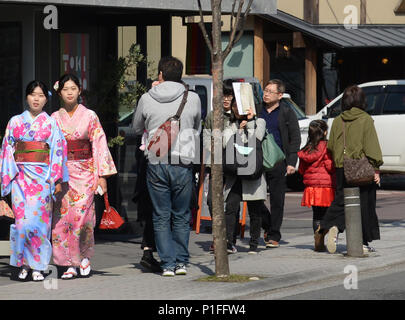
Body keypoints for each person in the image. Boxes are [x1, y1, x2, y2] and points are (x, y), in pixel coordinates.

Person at [132, 56, 201, 276]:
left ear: (160, 75)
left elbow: (136, 127)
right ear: (180, 76)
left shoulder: (146, 97)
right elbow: (197, 127)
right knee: (181, 214)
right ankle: (181, 262)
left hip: (156, 161)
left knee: (160, 215)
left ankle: (168, 264)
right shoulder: (193, 98)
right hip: (183, 161)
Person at [51, 73, 117, 279]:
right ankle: (67, 264)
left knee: (83, 217)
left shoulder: (90, 116)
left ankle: (84, 257)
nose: (69, 92)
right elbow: (51, 148)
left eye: (73, 88)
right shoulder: (53, 118)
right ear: (60, 93)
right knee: (62, 219)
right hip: (63, 173)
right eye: (65, 89)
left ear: (79, 90)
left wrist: (102, 176)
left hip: (86, 172)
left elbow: (99, 144)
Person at [0, 80, 68, 281]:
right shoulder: (15, 122)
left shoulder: (51, 123)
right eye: (32, 94)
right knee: (22, 224)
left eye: (40, 95)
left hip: (42, 180)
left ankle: (38, 265)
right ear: (27, 97)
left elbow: (57, 150)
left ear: (46, 99)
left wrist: (55, 179)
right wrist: (7, 179)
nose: (36, 99)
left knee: (39, 224)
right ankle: (23, 263)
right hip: (20, 179)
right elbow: (6, 151)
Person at [316, 85, 383, 254]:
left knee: (341, 200)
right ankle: (362, 243)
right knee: (365, 205)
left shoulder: (339, 120)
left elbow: (331, 145)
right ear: (362, 101)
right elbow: (372, 147)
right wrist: (376, 168)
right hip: (361, 168)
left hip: (342, 167)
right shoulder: (365, 119)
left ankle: (328, 226)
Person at [259, 79, 301, 248]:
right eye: (265, 90)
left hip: (278, 160)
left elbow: (295, 138)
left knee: (277, 200)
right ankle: (268, 224)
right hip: (257, 159)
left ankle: (274, 234)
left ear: (280, 95)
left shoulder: (286, 111)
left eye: (270, 91)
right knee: (253, 198)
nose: (266, 94)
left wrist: (291, 162)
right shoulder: (257, 109)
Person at [223, 100, 267, 254]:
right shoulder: (230, 123)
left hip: (252, 170)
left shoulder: (259, 121)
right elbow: (226, 141)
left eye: (239, 106)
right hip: (235, 172)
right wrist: (239, 131)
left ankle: (254, 243)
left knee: (255, 210)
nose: (236, 109)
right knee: (230, 207)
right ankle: (229, 242)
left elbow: (258, 137)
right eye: (234, 106)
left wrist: (250, 122)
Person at [203, 79, 237, 252]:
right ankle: (219, 237)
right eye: (223, 95)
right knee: (211, 201)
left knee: (232, 203)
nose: (226, 99)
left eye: (229, 95)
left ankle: (229, 241)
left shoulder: (239, 116)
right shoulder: (212, 115)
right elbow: (206, 138)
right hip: (215, 163)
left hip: (236, 165)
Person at [298, 120, 335, 252]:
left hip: (311, 188)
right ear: (325, 132)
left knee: (317, 215)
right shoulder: (327, 147)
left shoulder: (306, 150)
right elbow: (330, 167)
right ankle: (326, 231)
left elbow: (301, 170)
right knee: (329, 213)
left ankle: (318, 242)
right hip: (326, 186)